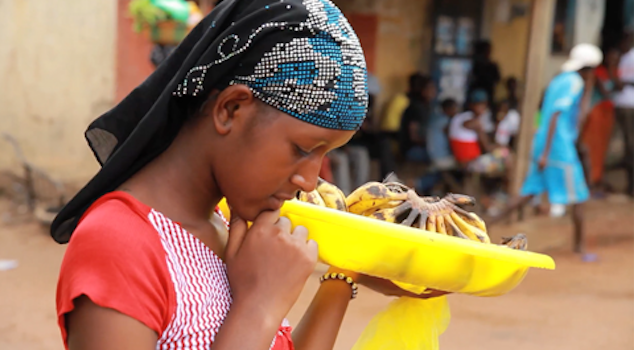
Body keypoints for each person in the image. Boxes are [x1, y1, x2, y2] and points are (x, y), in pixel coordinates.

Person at [50, 2, 448, 350]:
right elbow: (254, 320)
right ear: (231, 109)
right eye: (303, 150)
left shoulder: (227, 226)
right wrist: (258, 305)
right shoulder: (120, 242)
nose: (309, 181)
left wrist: (345, 273)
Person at [490, 43, 603, 255]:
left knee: (528, 191)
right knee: (579, 195)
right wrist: (546, 153)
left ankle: (490, 222)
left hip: (543, 142)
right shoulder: (575, 83)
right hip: (558, 148)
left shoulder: (559, 79)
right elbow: (557, 115)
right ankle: (580, 248)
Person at [580, 47, 620, 197]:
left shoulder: (615, 72)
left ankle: (596, 179)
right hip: (596, 113)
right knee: (592, 147)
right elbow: (607, 91)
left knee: (602, 149)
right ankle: (589, 181)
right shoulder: (598, 73)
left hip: (608, 114)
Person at [449, 89, 511, 176]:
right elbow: (487, 147)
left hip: (461, 161)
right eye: (479, 104)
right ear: (471, 105)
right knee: (509, 157)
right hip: (469, 164)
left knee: (504, 155)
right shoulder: (475, 123)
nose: (482, 107)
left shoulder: (461, 116)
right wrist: (504, 147)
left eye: (484, 104)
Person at [414, 98, 459, 194]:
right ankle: (416, 184)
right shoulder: (446, 122)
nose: (456, 112)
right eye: (455, 108)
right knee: (463, 166)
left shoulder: (434, 118)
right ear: (448, 109)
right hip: (440, 157)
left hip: (430, 154)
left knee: (438, 174)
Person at [398, 74, 436, 163]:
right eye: (431, 88)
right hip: (412, 150)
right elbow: (414, 137)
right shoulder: (417, 108)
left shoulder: (427, 107)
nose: (434, 91)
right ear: (423, 90)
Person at [614, 33, 634, 197]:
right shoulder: (623, 58)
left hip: (629, 105)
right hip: (623, 104)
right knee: (628, 145)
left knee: (631, 146)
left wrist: (623, 83)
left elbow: (622, 82)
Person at [468, 40, 501, 108]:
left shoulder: (492, 66)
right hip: (475, 93)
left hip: (488, 93)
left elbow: (497, 79)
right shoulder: (475, 65)